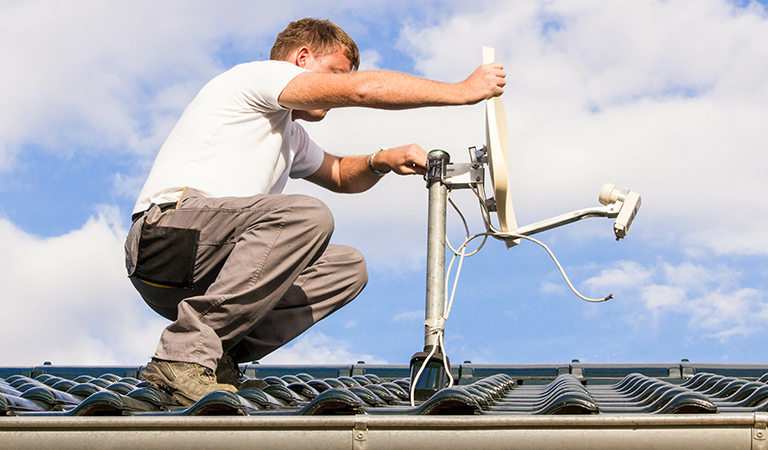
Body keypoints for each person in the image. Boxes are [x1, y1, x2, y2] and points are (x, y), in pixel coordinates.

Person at [124, 17, 505, 406]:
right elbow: (359, 91)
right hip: (166, 237)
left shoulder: (290, 135)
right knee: (306, 217)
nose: (336, 89)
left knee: (347, 267)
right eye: (334, 74)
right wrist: (462, 91)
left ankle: (216, 356)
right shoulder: (260, 78)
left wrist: (382, 159)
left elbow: (339, 173)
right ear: (301, 58)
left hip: (206, 270)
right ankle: (182, 353)